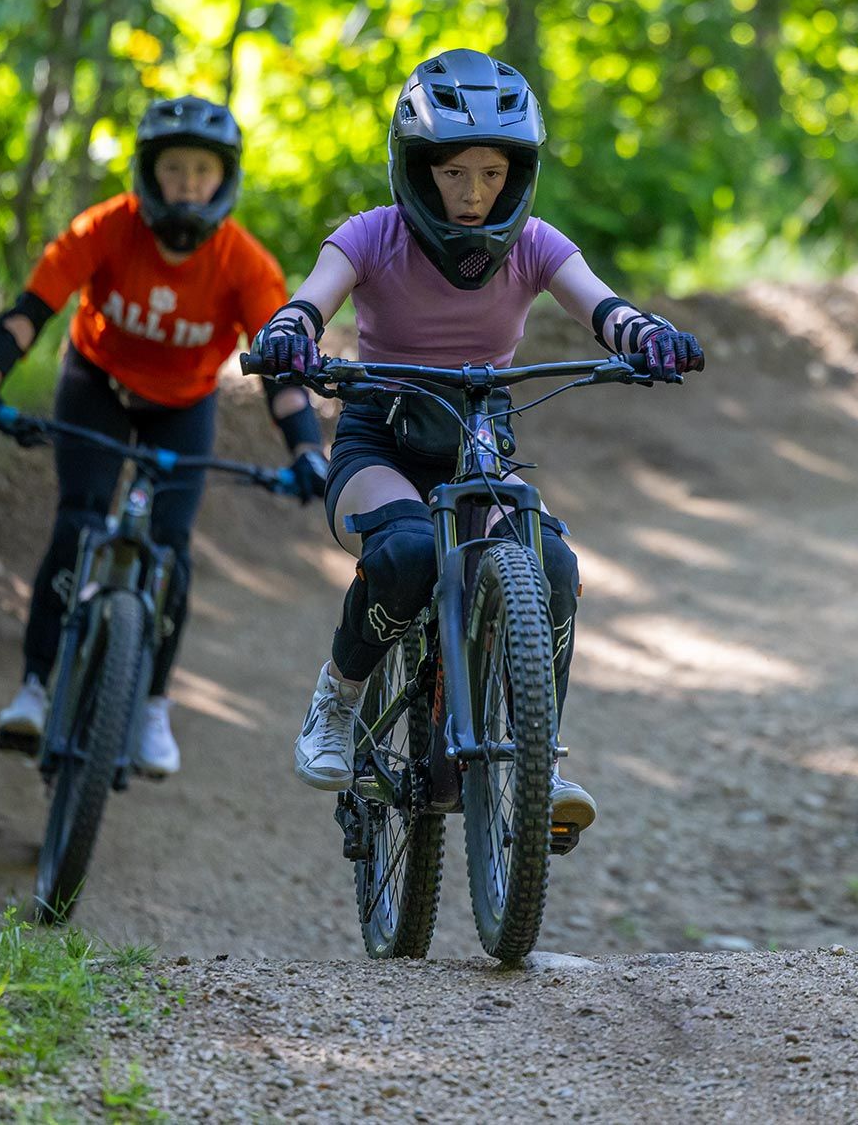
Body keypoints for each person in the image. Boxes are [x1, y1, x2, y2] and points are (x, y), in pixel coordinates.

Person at [247, 48, 704, 843]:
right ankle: (337, 699)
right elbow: (310, 300)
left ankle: (536, 758)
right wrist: (291, 330)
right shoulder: (372, 236)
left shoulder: (534, 243)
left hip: (480, 441)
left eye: (492, 173)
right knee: (406, 556)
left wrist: (647, 337)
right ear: (418, 169)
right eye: (454, 173)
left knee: (552, 567)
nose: (472, 194)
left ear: (517, 173)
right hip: (378, 440)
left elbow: (604, 306)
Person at [0, 95, 328, 777]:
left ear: (225, 179)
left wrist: (307, 450)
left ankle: (152, 702)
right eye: (175, 168)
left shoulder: (245, 263)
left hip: (183, 406)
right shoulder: (104, 228)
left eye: (203, 170)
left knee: (172, 549)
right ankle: (35, 689)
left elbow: (280, 373)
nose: (189, 183)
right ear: (149, 173)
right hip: (95, 385)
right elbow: (29, 311)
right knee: (77, 522)